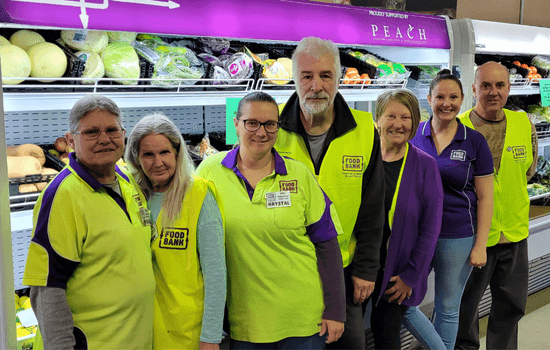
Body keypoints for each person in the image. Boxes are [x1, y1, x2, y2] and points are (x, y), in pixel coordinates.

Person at [197, 91, 346, 349]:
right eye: (252, 123)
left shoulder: (299, 175)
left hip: (303, 320)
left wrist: (335, 310)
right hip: (245, 322)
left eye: (270, 124)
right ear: (236, 124)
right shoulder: (209, 171)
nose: (261, 132)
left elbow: (327, 244)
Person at [275, 36, 385, 350]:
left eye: (325, 75)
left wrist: (366, 269)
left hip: (345, 270)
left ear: (338, 78)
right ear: (294, 79)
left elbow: (373, 208)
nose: (316, 86)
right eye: (307, 76)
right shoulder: (273, 131)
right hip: (287, 271)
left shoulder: (364, 130)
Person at [22, 95, 155, 349]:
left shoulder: (126, 181)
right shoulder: (64, 196)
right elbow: (47, 288)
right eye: (91, 132)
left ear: (123, 135)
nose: (104, 139)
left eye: (112, 130)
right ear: (71, 140)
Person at [401, 70, 494, 350]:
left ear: (463, 99)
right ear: (429, 98)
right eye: (440, 96)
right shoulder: (413, 135)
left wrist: (480, 245)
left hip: (458, 235)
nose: (446, 103)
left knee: (448, 308)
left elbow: (486, 198)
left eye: (453, 97)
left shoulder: (474, 141)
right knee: (403, 303)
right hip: (416, 235)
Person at [455, 61, 538, 350]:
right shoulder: (458, 127)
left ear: (508, 88)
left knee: (510, 308)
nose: (493, 92)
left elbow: (528, 170)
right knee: (465, 310)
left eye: (500, 85)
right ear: (474, 88)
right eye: (486, 85)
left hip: (514, 234)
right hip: (472, 238)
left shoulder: (523, 124)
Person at [125, 114, 226, 350]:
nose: (157, 162)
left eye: (164, 153)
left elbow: (216, 274)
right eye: (148, 154)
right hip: (138, 329)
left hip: (184, 331)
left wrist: (210, 336)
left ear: (177, 153)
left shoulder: (199, 195)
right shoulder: (130, 194)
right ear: (136, 158)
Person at [369, 89, 444, 350]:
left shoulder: (425, 165)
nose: (398, 124)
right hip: (360, 267)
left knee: (386, 336)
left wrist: (410, 276)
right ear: (377, 118)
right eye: (391, 115)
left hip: (397, 272)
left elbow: (430, 228)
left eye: (406, 117)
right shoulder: (363, 159)